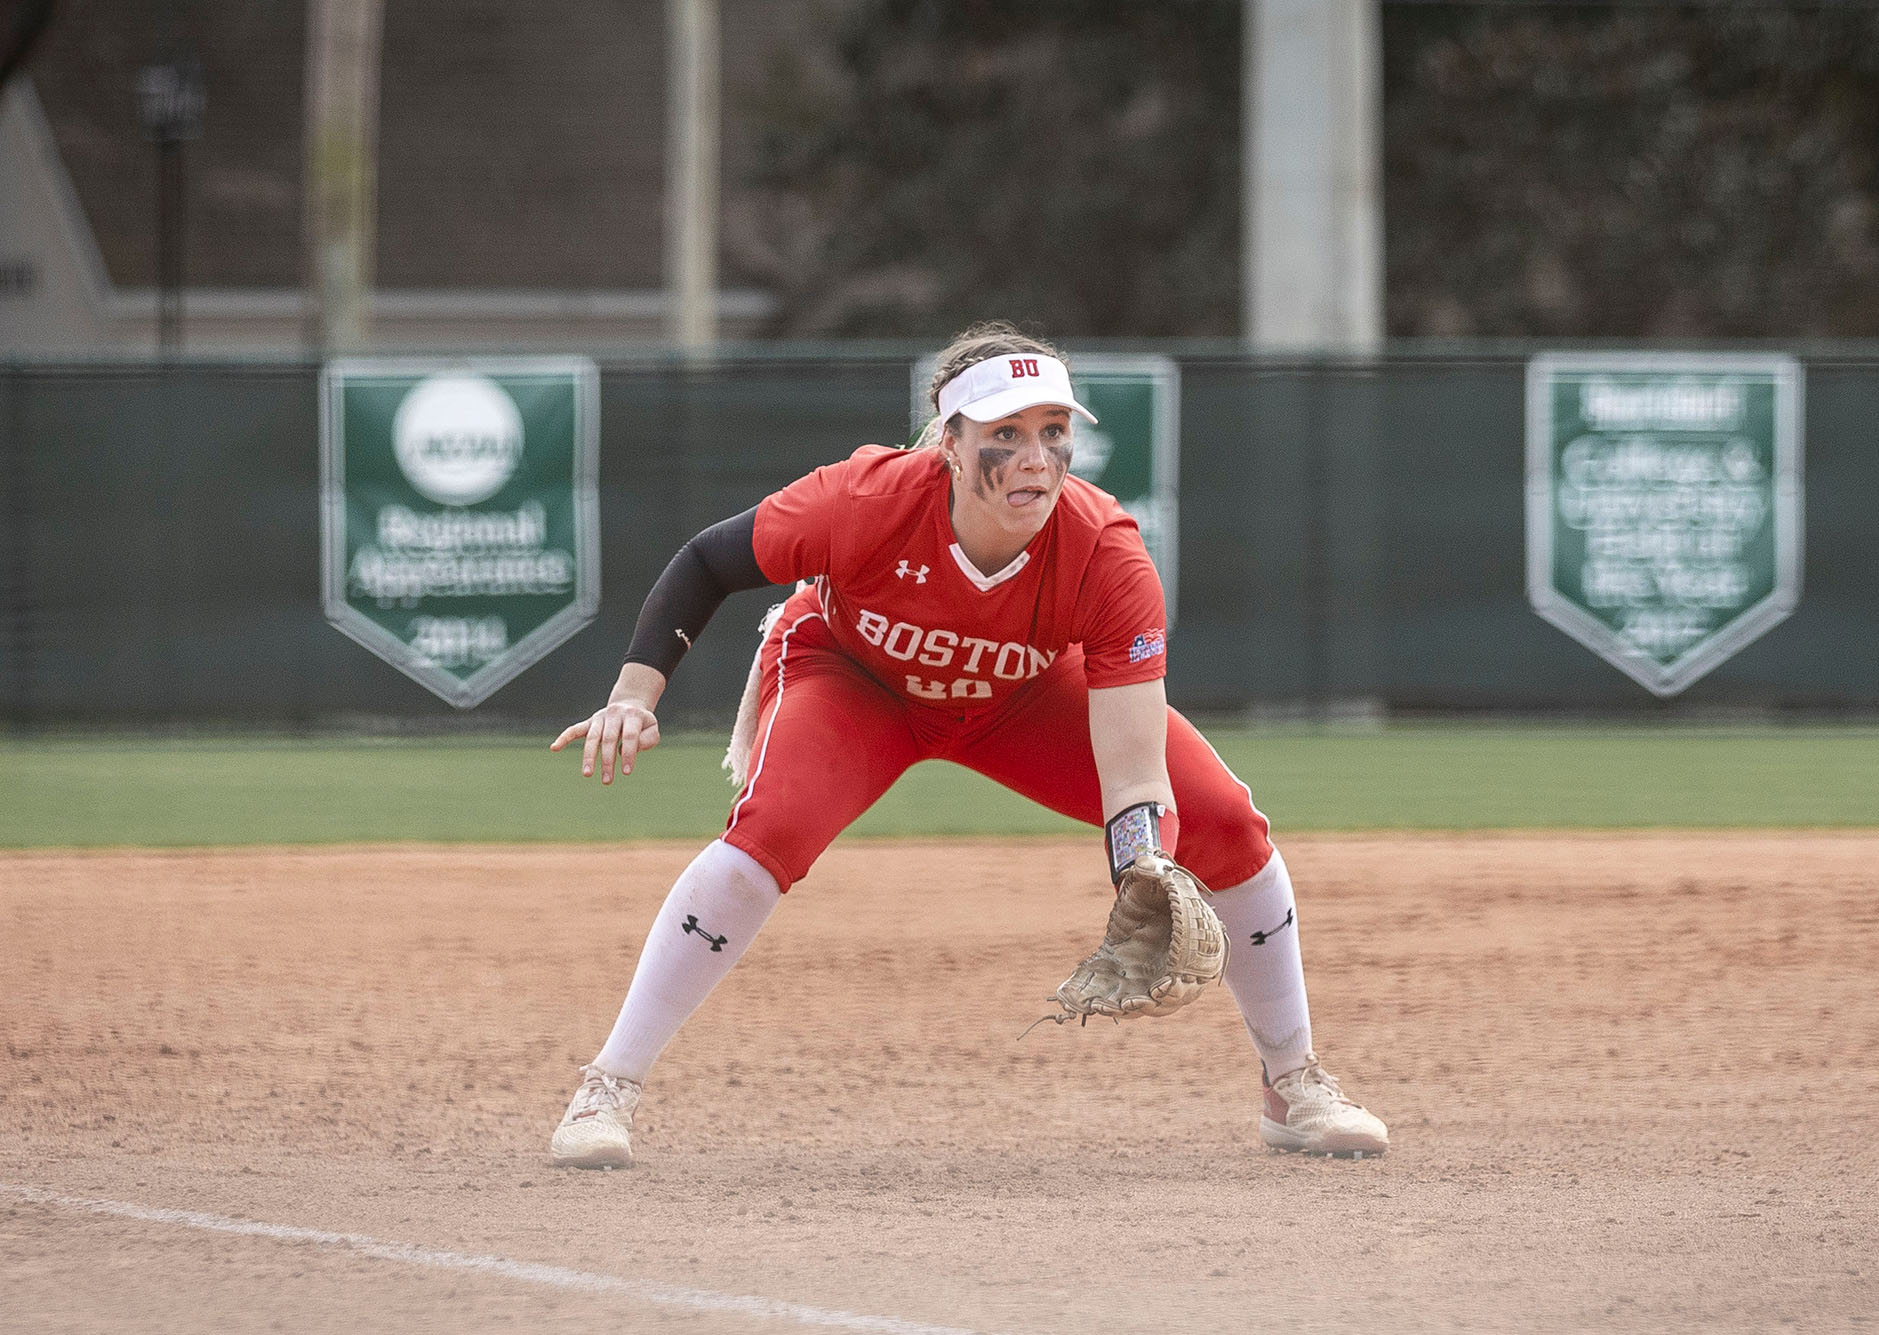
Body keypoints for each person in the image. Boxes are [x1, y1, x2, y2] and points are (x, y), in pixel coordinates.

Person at [548, 322, 1388, 1167]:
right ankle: (607, 1087)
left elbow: (1134, 769)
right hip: (858, 679)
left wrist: (1144, 869)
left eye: (1053, 432)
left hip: (1020, 695)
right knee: (771, 829)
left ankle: (1293, 1081)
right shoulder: (866, 499)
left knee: (1228, 824)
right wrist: (634, 692)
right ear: (948, 444)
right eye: (1005, 435)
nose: (1035, 457)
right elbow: (708, 561)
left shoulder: (1104, 553)